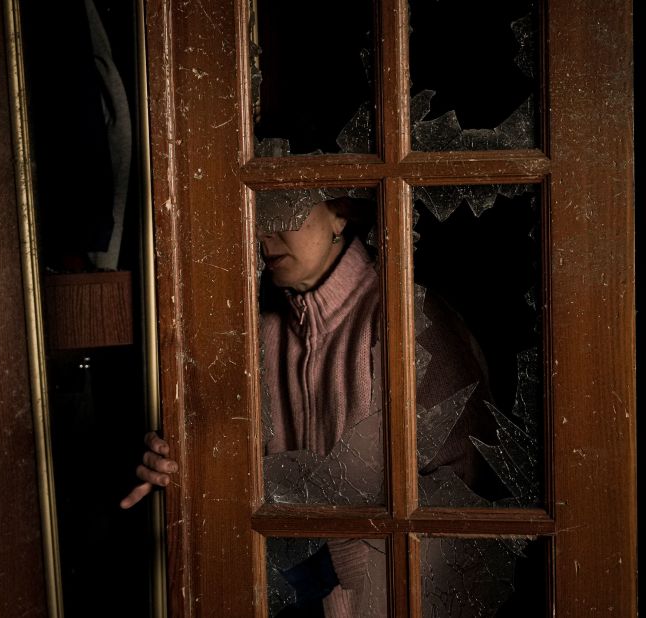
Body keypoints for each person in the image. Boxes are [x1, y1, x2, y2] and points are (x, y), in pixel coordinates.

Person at [121, 197, 504, 615]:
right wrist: (180, 468)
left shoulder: (409, 318)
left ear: (340, 214)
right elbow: (230, 473)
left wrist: (333, 567)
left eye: (282, 206)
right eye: (255, 212)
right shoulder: (259, 336)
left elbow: (466, 506)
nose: (263, 231)